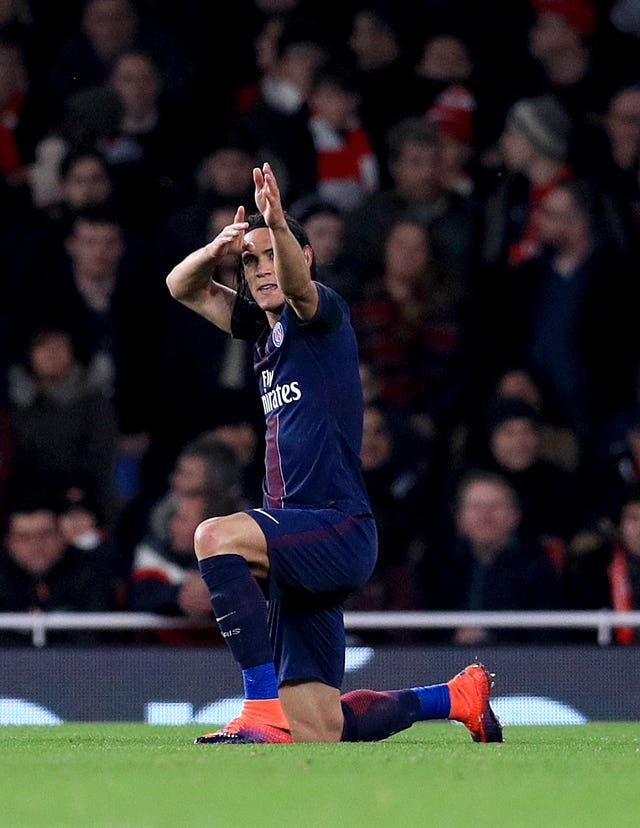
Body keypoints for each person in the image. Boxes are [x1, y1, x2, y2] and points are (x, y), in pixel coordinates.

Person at [165, 160, 503, 745]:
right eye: (252, 261)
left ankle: (258, 707)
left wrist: (273, 222)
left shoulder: (323, 314)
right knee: (321, 727)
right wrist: (221, 245)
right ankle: (455, 697)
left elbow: (296, 287)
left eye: (275, 254)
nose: (263, 268)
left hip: (334, 527)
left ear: (306, 257)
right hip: (293, 542)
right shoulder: (261, 334)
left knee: (213, 536)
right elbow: (181, 286)